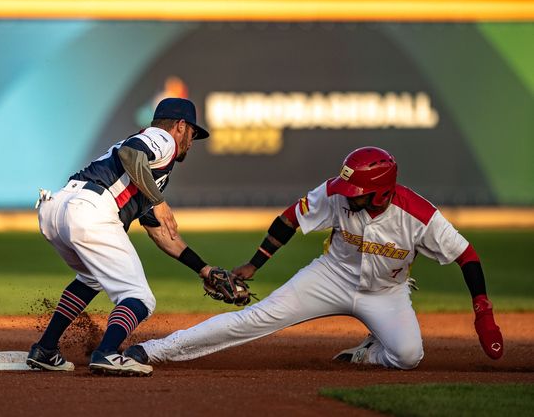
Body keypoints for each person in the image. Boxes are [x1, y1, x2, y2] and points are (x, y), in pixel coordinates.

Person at [124, 146, 504, 370]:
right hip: (330, 277)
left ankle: (368, 353)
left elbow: (466, 256)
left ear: (381, 193)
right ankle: (153, 350)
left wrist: (483, 314)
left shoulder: (419, 215)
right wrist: (255, 264)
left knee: (408, 356)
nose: (346, 194)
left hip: (386, 293)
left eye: (356, 190)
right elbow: (289, 218)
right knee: (255, 318)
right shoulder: (337, 194)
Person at [27, 98, 215, 377]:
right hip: (90, 210)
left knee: (91, 277)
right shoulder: (162, 139)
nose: (192, 140)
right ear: (180, 126)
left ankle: (45, 349)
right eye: (193, 133)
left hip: (58, 209)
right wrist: (159, 201)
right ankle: (108, 353)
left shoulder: (151, 172)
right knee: (139, 297)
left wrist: (204, 269)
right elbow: (130, 153)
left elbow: (161, 233)